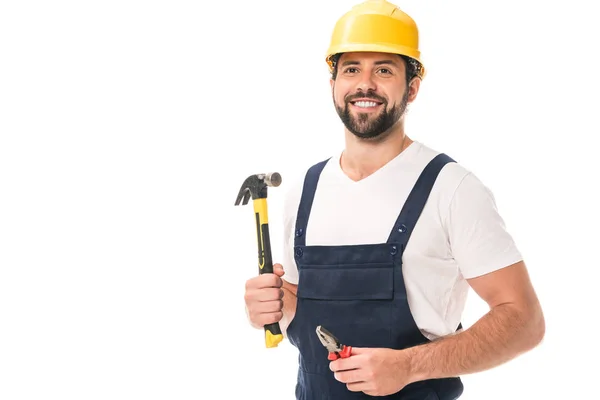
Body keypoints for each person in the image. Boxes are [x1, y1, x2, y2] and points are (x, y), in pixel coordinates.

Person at [243, 0, 545, 398]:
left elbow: (524, 321)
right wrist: (273, 305)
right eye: (351, 69)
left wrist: (409, 366)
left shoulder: (451, 189)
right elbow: (302, 305)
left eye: (383, 69)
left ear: (413, 87)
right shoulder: (305, 190)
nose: (364, 84)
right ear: (333, 84)